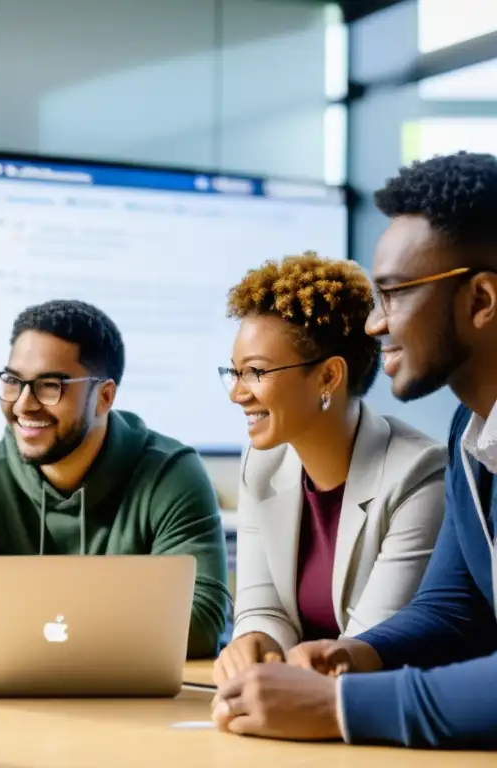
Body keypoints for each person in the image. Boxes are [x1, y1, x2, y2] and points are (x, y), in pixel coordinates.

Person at [211, 151, 497, 748]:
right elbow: (451, 609)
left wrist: (340, 705)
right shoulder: (470, 437)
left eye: (394, 294)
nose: (374, 324)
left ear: (482, 300)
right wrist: (348, 656)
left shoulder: (426, 461)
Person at [0, 299, 231, 658]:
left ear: (104, 397)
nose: (23, 405)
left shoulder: (170, 473)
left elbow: (201, 622)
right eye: (13, 381)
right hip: (14, 693)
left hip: (137, 702)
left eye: (49, 385)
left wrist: (35, 628)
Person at [213, 253, 446, 685]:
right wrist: (253, 640)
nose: (238, 394)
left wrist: (284, 678)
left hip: (373, 709)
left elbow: (372, 643)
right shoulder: (262, 464)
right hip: (295, 699)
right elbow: (262, 607)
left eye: (256, 372)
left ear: (328, 378)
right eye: (234, 372)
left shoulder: (419, 475)